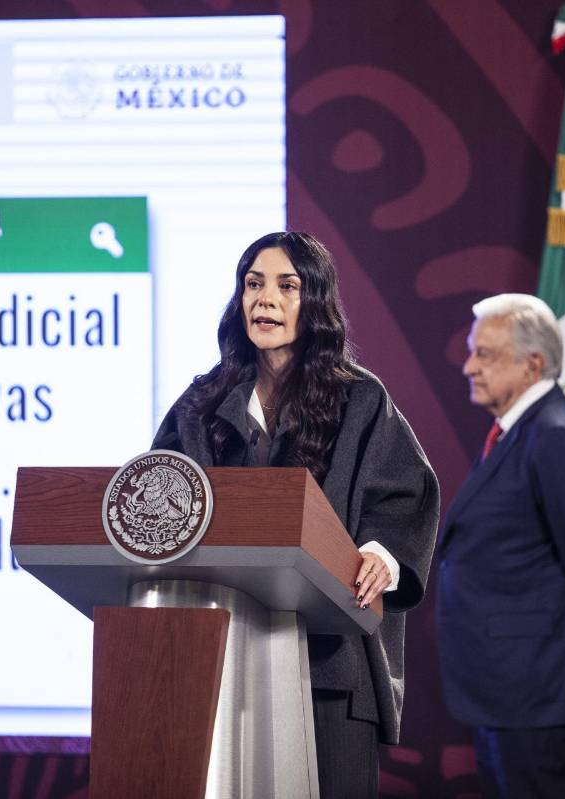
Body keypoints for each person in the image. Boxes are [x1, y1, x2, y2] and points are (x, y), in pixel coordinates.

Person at [152, 231, 439, 798]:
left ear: (316, 302)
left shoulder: (360, 400)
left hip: (330, 662)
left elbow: (402, 495)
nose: (265, 300)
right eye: (253, 284)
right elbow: (159, 498)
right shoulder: (202, 402)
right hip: (224, 656)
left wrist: (380, 553)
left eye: (287, 286)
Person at [436, 293, 565, 798]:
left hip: (536, 694)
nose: (469, 366)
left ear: (533, 364)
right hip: (511, 693)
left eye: (485, 354)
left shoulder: (555, 435)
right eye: (472, 351)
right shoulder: (520, 433)